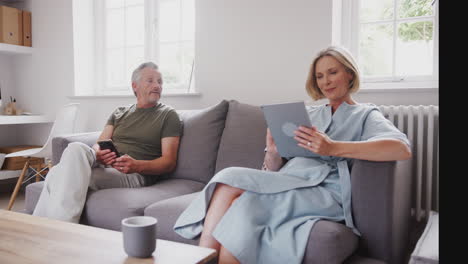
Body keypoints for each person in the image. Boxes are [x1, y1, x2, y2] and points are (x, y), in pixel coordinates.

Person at [173, 46, 412, 264]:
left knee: (238, 202)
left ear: (349, 74)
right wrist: (273, 151)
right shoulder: (308, 114)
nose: (326, 82)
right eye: (319, 76)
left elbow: (401, 148)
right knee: (228, 183)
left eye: (332, 73)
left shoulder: (365, 115)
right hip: (288, 180)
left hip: (325, 190)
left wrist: (333, 147)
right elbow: (275, 169)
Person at [33, 62, 182, 223]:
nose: (157, 86)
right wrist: (98, 153)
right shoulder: (119, 112)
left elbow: (169, 162)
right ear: (135, 86)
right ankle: (47, 227)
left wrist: (137, 165)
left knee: (58, 174)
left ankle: (51, 227)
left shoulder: (168, 115)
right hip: (106, 165)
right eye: (151, 80)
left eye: (160, 82)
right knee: (75, 148)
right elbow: (100, 142)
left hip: (134, 173)